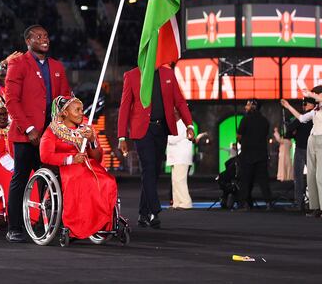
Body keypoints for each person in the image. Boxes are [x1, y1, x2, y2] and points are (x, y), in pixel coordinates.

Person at [5, 25, 70, 243]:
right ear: (28, 41)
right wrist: (29, 128)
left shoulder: (57, 66)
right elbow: (11, 101)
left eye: (47, 35)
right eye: (39, 36)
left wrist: (65, 127)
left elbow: (65, 101)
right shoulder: (17, 63)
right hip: (26, 136)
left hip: (50, 136)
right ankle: (14, 228)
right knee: (20, 180)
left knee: (51, 183)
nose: (45, 39)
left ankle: (49, 225)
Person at [118, 65, 193, 228]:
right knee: (149, 167)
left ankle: (143, 214)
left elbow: (179, 100)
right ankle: (154, 210)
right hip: (142, 131)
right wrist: (122, 136)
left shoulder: (168, 74)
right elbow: (124, 107)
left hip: (161, 129)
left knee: (154, 171)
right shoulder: (131, 75)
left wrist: (189, 125)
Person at [40, 96, 117, 240]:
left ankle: (100, 223)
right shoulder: (52, 131)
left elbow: (97, 158)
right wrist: (70, 159)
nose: (82, 113)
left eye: (82, 109)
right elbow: (45, 156)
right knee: (83, 182)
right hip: (66, 167)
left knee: (108, 182)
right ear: (65, 113)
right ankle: (77, 226)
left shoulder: (86, 130)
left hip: (88, 165)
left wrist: (93, 142)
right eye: (77, 110)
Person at [281, 86, 322, 218]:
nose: (315, 96)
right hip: (311, 140)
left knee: (321, 174)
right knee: (311, 175)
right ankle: (315, 207)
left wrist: (310, 94)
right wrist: (288, 106)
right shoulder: (316, 110)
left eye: (318, 94)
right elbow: (301, 118)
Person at [236, 99, 273, 210]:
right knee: (263, 180)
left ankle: (244, 203)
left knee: (245, 180)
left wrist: (242, 141)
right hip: (261, 153)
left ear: (253, 106)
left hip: (247, 154)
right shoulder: (264, 121)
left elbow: (239, 136)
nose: (245, 107)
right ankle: (268, 203)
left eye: (247, 104)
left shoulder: (245, 119)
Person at [283, 97, 315, 209]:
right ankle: (314, 203)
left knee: (298, 176)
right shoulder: (316, 115)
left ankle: (298, 202)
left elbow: (289, 130)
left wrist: (294, 132)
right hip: (313, 149)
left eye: (304, 104)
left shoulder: (303, 117)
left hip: (301, 148)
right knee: (313, 176)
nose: (303, 106)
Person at [166, 119, 201, 210]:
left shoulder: (183, 124)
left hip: (181, 157)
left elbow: (174, 139)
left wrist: (164, 136)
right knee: (175, 181)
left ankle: (186, 203)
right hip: (175, 157)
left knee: (180, 181)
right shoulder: (176, 123)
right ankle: (177, 202)